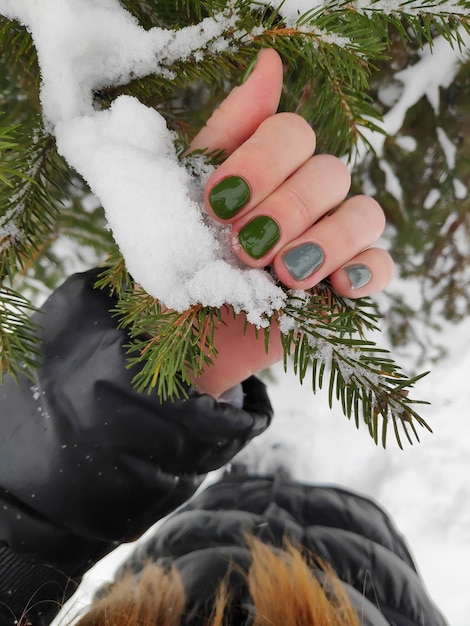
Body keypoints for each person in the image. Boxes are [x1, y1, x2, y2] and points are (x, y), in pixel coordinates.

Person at [0, 50, 445, 625]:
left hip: (167, 580)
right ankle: (268, 476)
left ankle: (254, 476)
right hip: (370, 578)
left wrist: (141, 367)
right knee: (333, 522)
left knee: (230, 504)